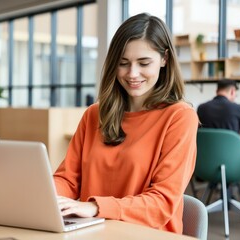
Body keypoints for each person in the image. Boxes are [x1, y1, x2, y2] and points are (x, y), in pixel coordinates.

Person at [53, 13, 198, 234]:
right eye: (123, 63)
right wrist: (42, 194)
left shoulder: (179, 117)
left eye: (143, 63)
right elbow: (69, 180)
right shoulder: (95, 114)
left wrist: (95, 207)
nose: (132, 74)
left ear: (164, 59)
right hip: (93, 232)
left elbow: (162, 202)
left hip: (147, 234)